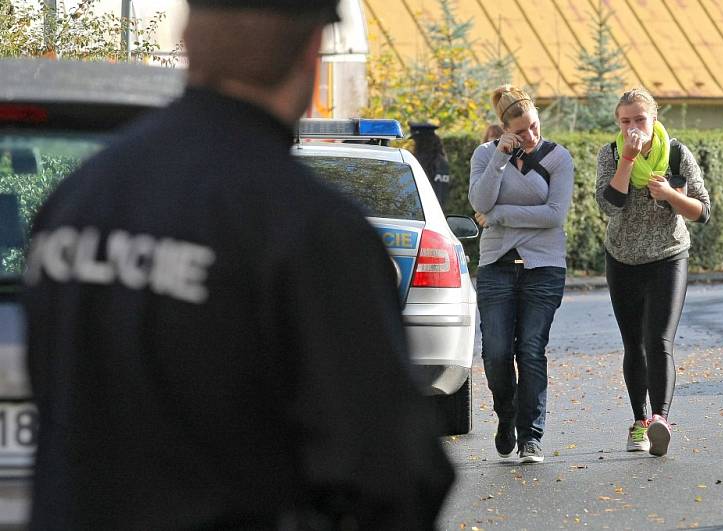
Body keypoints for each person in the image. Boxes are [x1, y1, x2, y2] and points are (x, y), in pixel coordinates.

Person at [23, 1, 453, 529]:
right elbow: (393, 473)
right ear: (311, 51)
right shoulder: (307, 228)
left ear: (190, 38)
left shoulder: (81, 196)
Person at [595, 87, 711, 457]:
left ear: (654, 120)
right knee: (634, 345)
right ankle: (639, 421)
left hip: (668, 257)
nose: (633, 127)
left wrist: (672, 196)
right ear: (618, 123)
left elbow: (702, 211)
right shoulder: (611, 154)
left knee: (659, 340)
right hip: (623, 259)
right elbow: (609, 206)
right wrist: (627, 161)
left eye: (640, 119)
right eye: (626, 121)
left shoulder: (676, 153)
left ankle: (661, 419)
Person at [469, 85, 574, 463]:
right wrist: (500, 157)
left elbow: (554, 215)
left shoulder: (557, 158)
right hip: (496, 265)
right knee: (496, 353)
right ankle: (506, 416)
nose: (530, 136)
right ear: (505, 129)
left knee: (530, 350)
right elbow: (479, 200)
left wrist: (499, 216)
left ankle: (531, 436)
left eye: (534, 126)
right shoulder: (485, 155)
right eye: (521, 130)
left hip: (544, 267)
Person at [410, 122, 450, 210]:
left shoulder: (439, 163)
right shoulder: (415, 159)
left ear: (423, 141)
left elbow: (439, 195)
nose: (415, 145)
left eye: (417, 141)